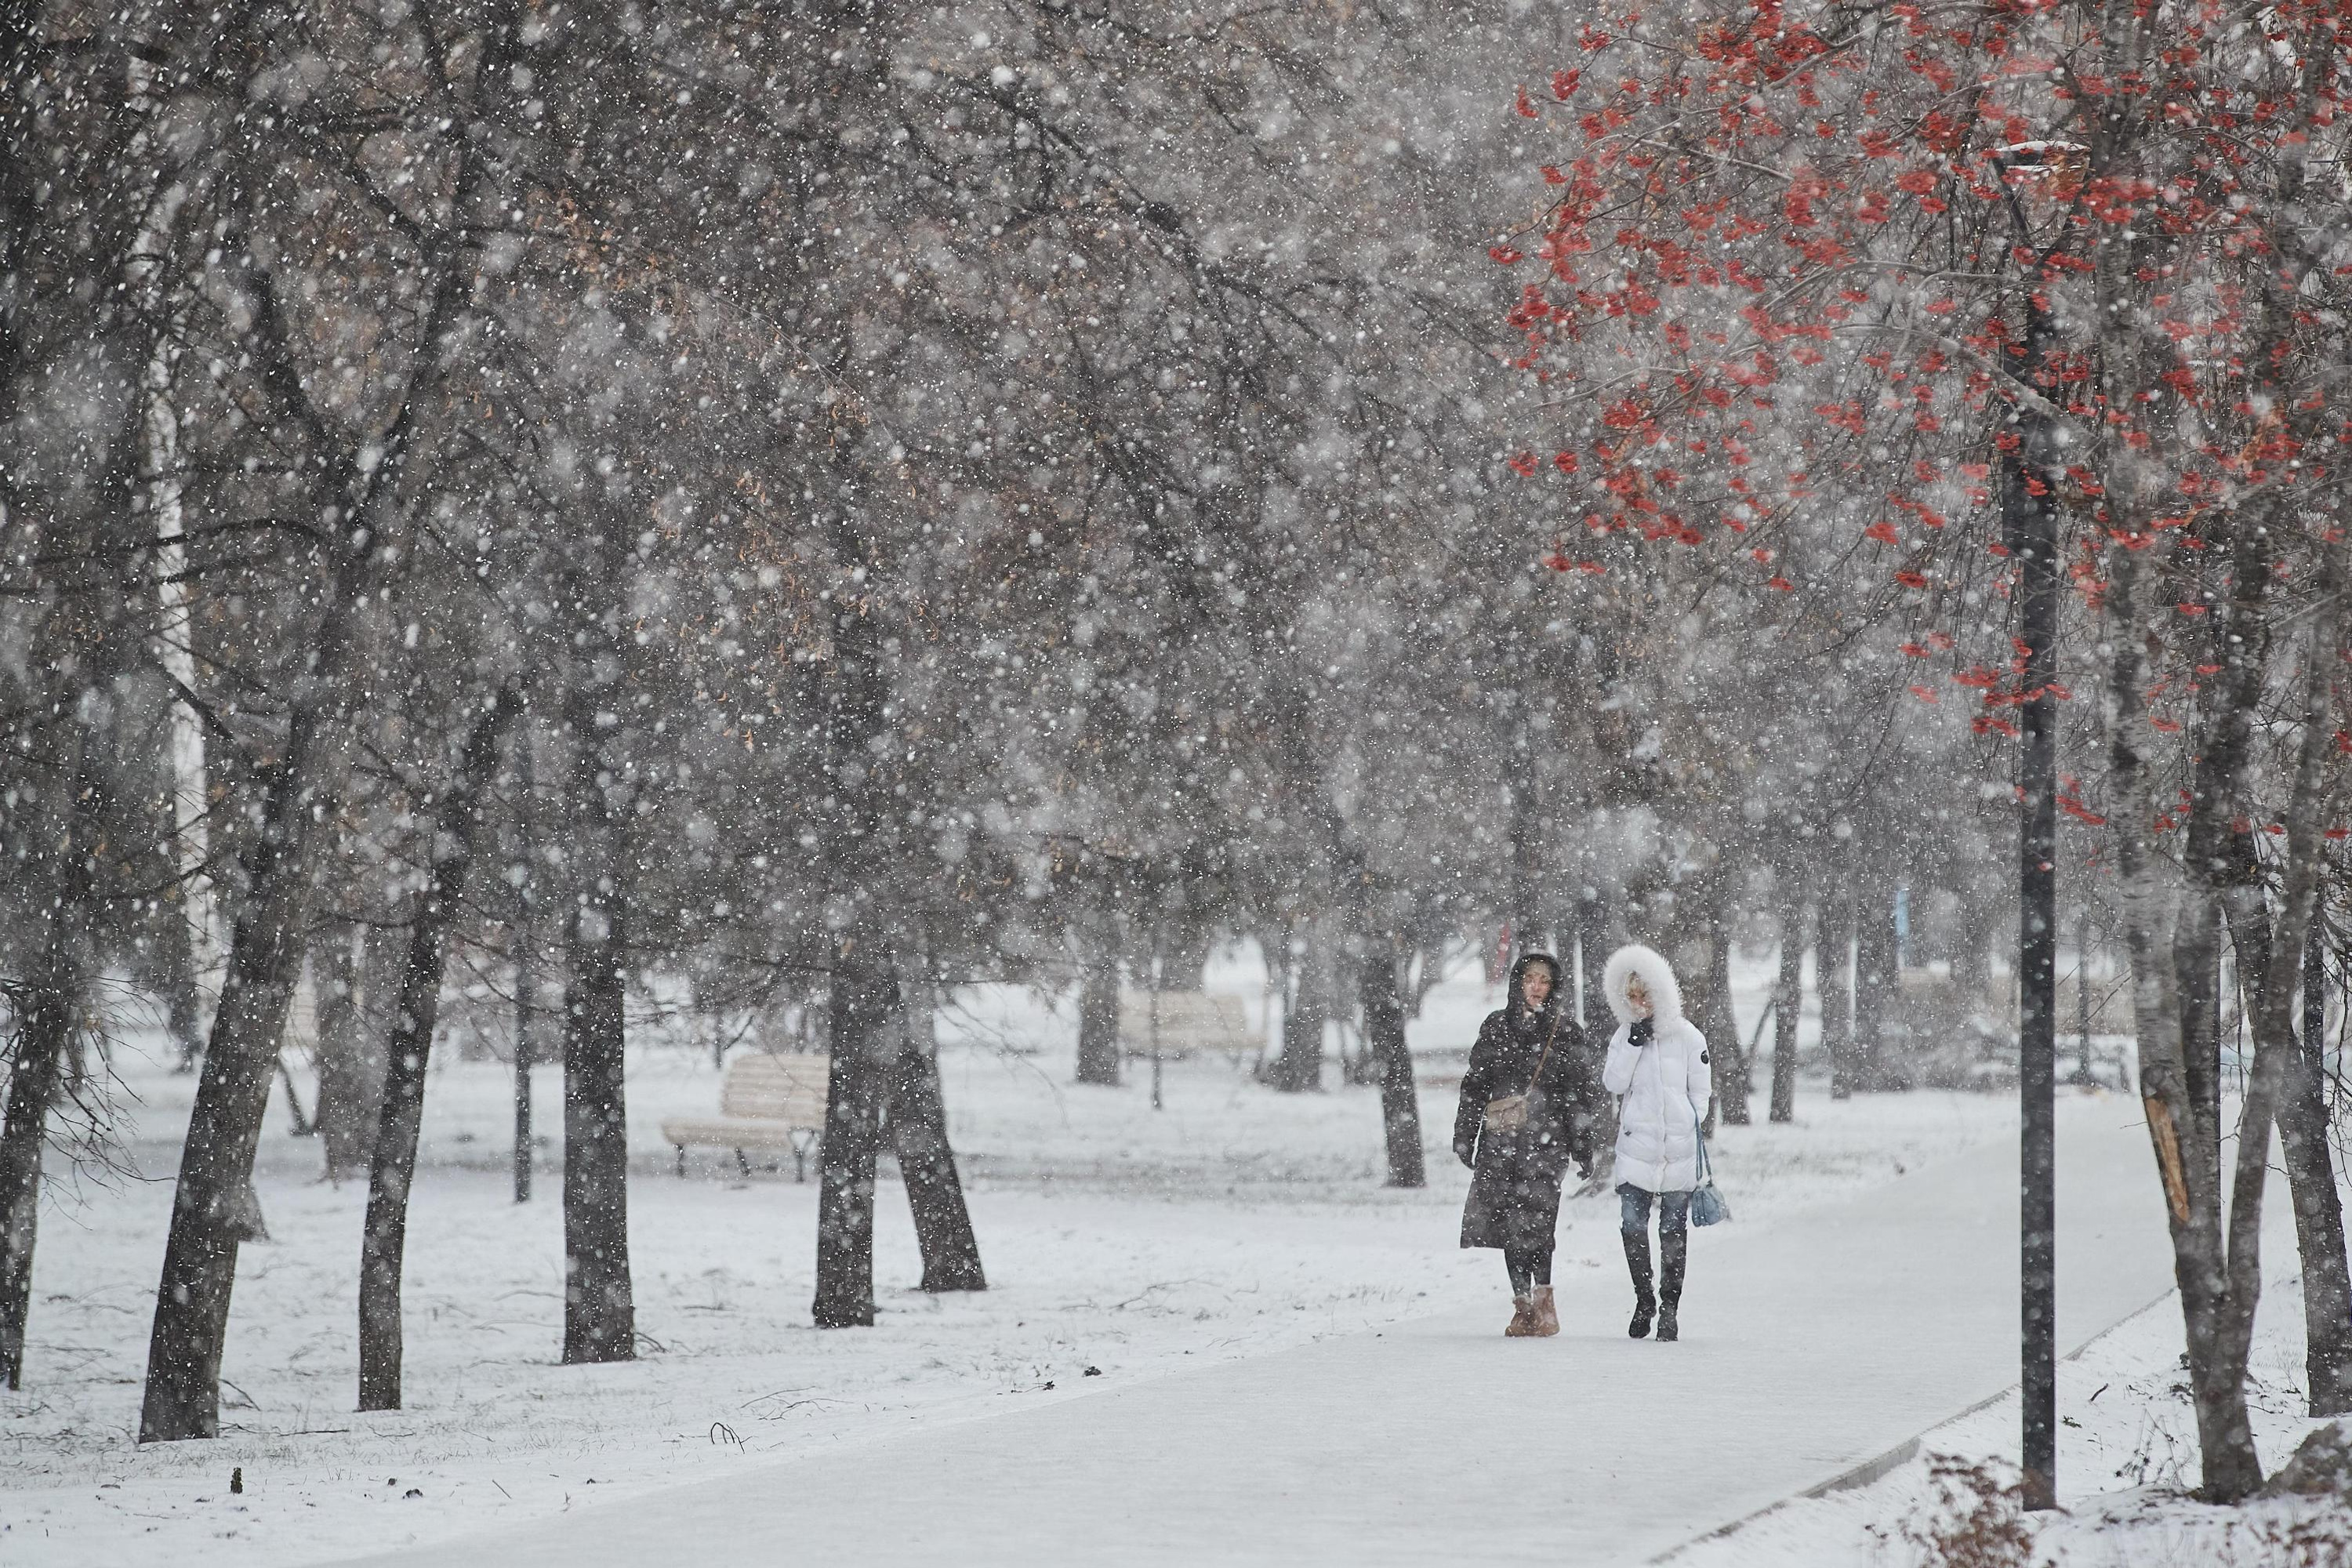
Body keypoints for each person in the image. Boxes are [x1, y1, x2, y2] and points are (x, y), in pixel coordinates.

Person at [1454, 953, 1601, 1338]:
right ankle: (1521, 1306)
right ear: (1517, 982)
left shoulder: (1566, 1032)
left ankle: (1544, 1300)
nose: (1536, 987)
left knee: (1538, 1220)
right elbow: (1475, 1086)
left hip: (1546, 1143)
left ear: (1554, 988)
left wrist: (1584, 1147)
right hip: (1501, 1140)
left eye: (1544, 981)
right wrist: (1464, 1136)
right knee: (1506, 1221)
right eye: (1530, 979)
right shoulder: (1497, 1027)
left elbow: (1579, 1095)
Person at [1602, 943, 1711, 1342]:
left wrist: (1686, 1121)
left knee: (1672, 1233)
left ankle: (1670, 1307)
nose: (1638, 1003)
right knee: (1632, 1226)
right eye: (1630, 997)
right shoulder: (1623, 1037)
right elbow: (1612, 1084)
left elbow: (1701, 1091)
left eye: (1644, 994)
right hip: (1636, 1150)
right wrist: (1633, 1043)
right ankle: (1643, 1298)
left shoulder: (1688, 1037)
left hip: (1677, 1152)